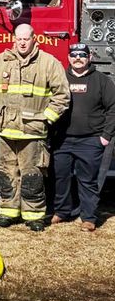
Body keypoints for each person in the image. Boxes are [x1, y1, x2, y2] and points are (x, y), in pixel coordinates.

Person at [0, 23, 70, 231]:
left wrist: (46, 119)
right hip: (5, 131)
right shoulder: (1, 61)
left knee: (32, 175)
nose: (22, 42)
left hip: (32, 132)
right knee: (5, 173)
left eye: (26, 39)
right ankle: (8, 212)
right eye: (19, 39)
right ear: (14, 40)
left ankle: (34, 216)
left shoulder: (48, 63)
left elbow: (62, 95)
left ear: (35, 39)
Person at [51, 43, 115, 232]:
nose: (77, 58)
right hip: (62, 139)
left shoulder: (102, 81)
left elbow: (113, 109)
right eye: (74, 54)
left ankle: (88, 217)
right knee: (60, 177)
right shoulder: (59, 78)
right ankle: (61, 212)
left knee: (87, 180)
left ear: (89, 57)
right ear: (68, 57)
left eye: (82, 55)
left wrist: (105, 136)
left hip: (90, 140)